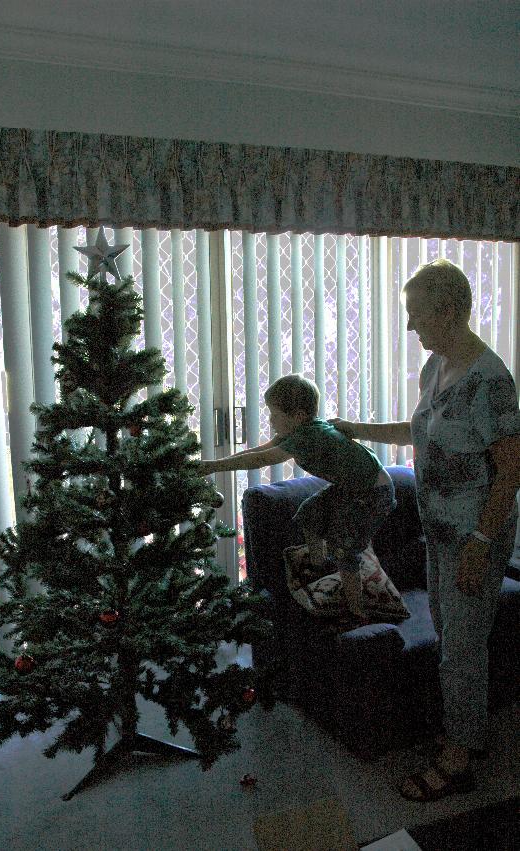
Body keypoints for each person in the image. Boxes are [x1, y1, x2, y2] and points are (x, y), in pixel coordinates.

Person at [331, 259, 520, 802]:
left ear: (454, 311)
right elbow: (420, 434)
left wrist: (481, 547)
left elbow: (511, 471)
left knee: (460, 647)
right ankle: (469, 732)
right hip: (438, 532)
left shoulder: (490, 381)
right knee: (454, 640)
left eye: (418, 315)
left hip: (474, 537)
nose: (411, 326)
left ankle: (458, 763)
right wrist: (355, 430)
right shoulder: (437, 367)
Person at [198, 374, 397, 620]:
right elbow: (258, 451)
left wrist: (213, 467)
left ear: (299, 416)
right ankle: (319, 568)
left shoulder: (310, 436)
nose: (270, 420)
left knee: (345, 548)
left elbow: (261, 460)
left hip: (374, 493)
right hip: (351, 487)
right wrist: (213, 465)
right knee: (309, 514)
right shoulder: (297, 430)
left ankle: (357, 610)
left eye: (275, 415)